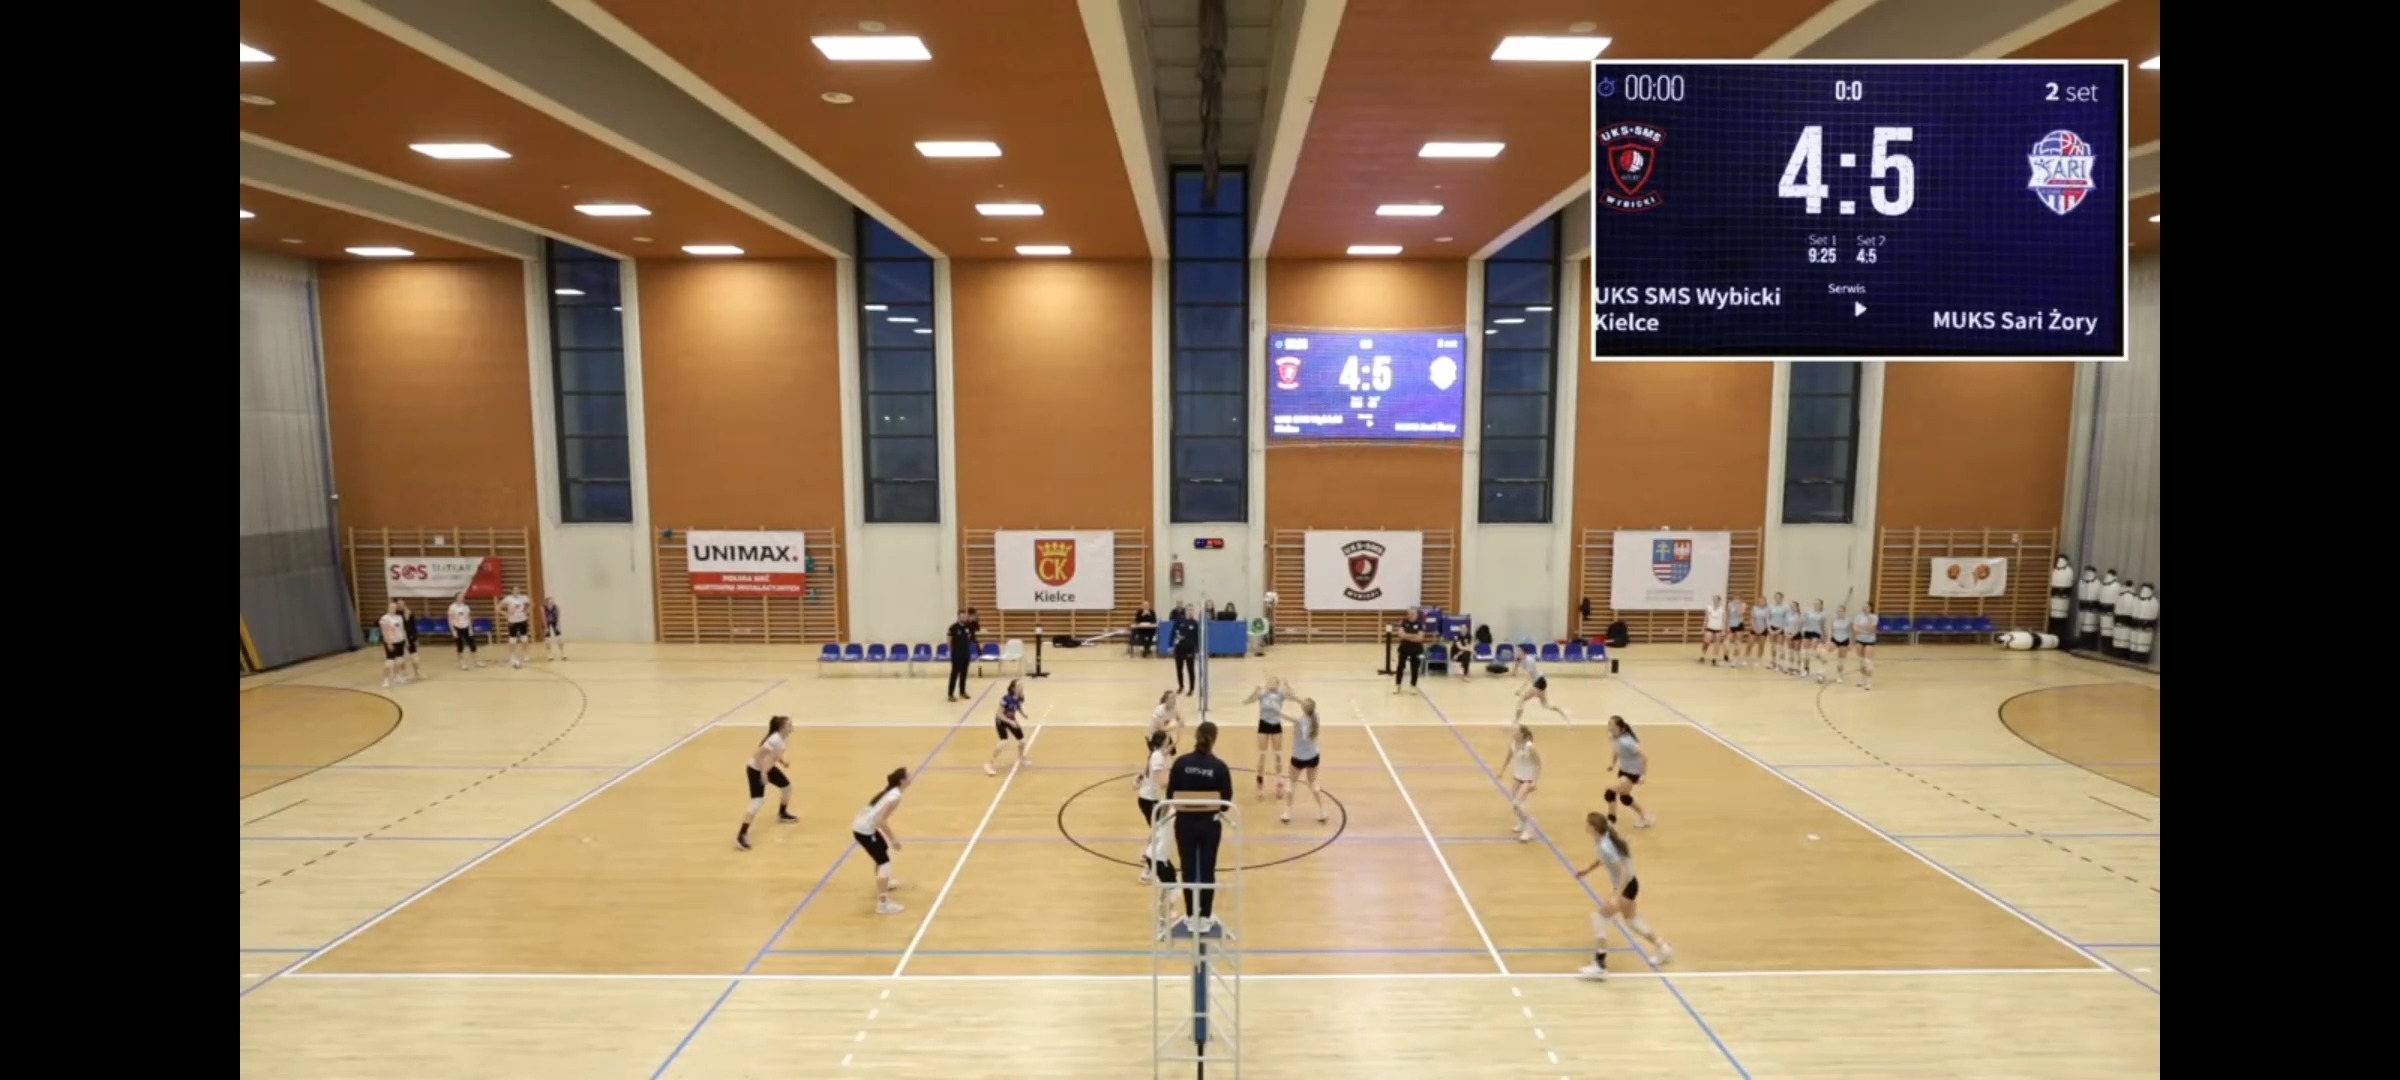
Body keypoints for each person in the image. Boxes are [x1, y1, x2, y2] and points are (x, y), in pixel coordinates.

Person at [1573, 812, 1673, 979]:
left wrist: (1616, 895)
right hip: (1630, 885)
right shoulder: (1602, 839)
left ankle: (1599, 965)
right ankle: (1663, 948)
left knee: (1599, 918)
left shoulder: (1605, 845)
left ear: (1593, 827)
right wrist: (1587, 870)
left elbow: (1623, 872)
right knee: (1632, 921)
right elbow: (1603, 859)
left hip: (1626, 886)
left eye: (1587, 823)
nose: (1585, 826)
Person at [1165, 720, 1235, 933]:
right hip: (1209, 826)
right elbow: (1225, 803)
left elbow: (1170, 795)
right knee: (1207, 868)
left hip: (1184, 824)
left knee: (1187, 868)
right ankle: (1205, 916)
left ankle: (1191, 915)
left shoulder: (1180, 763)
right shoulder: (1219, 767)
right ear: (1214, 739)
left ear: (1196, 737)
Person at [851, 767, 912, 915]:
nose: (911, 777)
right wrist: (893, 839)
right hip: (864, 831)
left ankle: (885, 883)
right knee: (885, 863)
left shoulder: (891, 792)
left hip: (864, 827)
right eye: (908, 776)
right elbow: (880, 820)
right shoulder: (895, 797)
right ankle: (883, 904)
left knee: (883, 852)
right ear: (902, 781)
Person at [735, 715, 801, 850]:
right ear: (782, 728)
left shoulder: (785, 738)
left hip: (767, 768)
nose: (792, 727)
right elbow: (758, 756)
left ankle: (782, 814)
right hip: (756, 770)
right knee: (757, 801)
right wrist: (763, 773)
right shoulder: (774, 740)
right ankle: (741, 834)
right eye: (789, 725)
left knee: (787, 788)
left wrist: (782, 761)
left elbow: (775, 754)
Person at [1241, 676, 1290, 800]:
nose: (1271, 684)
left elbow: (1292, 695)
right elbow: (1247, 701)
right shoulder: (1262, 694)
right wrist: (1255, 691)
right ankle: (1260, 783)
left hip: (1276, 725)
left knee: (1278, 755)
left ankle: (1279, 783)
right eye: (1270, 682)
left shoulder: (1280, 694)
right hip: (1263, 724)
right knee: (1262, 756)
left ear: (1277, 684)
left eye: (1274, 682)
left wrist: (1287, 685)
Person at [1282, 694, 1327, 825]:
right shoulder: (1315, 718)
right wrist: (1294, 697)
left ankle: (1287, 813)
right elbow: (1307, 705)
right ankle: (1322, 811)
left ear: (1304, 708)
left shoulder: (1298, 720)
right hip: (1313, 756)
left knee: (1291, 783)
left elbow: (1283, 715)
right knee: (1313, 783)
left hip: (1298, 757)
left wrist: (1273, 708)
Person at [1135, 729, 1172, 883]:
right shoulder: (1157, 758)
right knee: (1159, 833)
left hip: (1148, 798)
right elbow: (1161, 782)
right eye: (1167, 738)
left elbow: (1172, 747)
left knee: (1157, 829)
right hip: (1149, 800)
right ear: (1163, 741)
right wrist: (1174, 779)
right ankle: (1147, 872)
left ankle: (1145, 855)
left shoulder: (1156, 754)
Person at [1604, 715, 1654, 827]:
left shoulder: (1627, 742)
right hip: (1624, 770)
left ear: (1618, 727)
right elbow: (1616, 751)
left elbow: (1644, 758)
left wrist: (1643, 775)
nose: (1608, 725)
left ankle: (1611, 821)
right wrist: (1612, 764)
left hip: (1633, 773)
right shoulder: (1614, 737)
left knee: (1610, 793)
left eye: (1611, 723)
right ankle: (1645, 817)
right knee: (1624, 798)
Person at [983, 678, 1033, 776]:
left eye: (1021, 685)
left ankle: (1021, 757)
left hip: (1011, 719)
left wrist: (1023, 714)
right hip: (1001, 720)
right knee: (1003, 741)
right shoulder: (1006, 699)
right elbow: (999, 714)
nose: (1021, 687)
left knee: (1022, 741)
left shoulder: (1020, 697)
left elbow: (1018, 706)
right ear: (1013, 688)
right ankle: (989, 764)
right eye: (1019, 685)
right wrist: (1010, 722)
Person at [1502, 723, 1543, 842]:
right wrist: (1502, 771)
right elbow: (1508, 757)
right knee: (1514, 805)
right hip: (1517, 777)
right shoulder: (1513, 744)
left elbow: (1538, 764)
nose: (1513, 733)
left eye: (1516, 731)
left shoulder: (1529, 747)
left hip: (1527, 779)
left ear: (1522, 734)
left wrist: (1534, 781)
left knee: (1517, 803)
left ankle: (1529, 829)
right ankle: (1522, 822)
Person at [1513, 648, 1570, 723]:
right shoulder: (1521, 660)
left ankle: (1516, 721)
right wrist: (1515, 669)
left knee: (1522, 699)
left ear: (1524, 653)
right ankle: (1563, 713)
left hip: (1539, 682)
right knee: (1546, 705)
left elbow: (1528, 678)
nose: (1517, 653)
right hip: (1540, 682)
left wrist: (1520, 690)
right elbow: (1516, 667)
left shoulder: (1530, 661)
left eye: (1519, 652)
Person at [944, 609, 976, 702]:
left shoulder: (968, 627)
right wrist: (952, 650)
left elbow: (969, 637)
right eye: (962, 616)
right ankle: (950, 694)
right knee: (954, 674)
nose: (964, 618)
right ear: (959, 616)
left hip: (966, 654)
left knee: (964, 674)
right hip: (956, 655)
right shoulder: (953, 627)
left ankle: (962, 692)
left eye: (965, 616)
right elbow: (949, 640)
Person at [376, 601, 411, 688]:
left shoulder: (399, 617)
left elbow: (402, 629)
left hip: (400, 641)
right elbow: (384, 632)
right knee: (390, 662)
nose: (393, 609)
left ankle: (397, 676)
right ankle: (386, 680)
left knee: (399, 660)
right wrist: (389, 643)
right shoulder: (385, 618)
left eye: (395, 608)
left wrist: (406, 640)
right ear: (388, 608)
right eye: (391, 607)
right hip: (391, 642)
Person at [1392, 608, 1428, 693]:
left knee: (1414, 668)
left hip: (1416, 649)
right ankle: (1398, 685)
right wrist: (1414, 635)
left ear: (1417, 615)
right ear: (1407, 614)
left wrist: (1406, 635)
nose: (1412, 615)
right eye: (1410, 613)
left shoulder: (1420, 624)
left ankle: (1413, 686)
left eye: (1414, 613)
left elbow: (1420, 638)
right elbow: (1401, 635)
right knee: (1400, 667)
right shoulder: (1403, 622)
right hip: (1404, 648)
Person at [498, 588, 534, 669]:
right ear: (512, 591)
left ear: (519, 591)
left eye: (518, 590)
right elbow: (498, 607)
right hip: (512, 621)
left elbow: (532, 604)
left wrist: (526, 612)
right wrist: (505, 613)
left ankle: (525, 654)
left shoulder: (524, 597)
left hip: (522, 620)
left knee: (524, 638)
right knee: (512, 640)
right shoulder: (508, 598)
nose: (516, 591)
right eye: (514, 590)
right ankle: (512, 656)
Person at [446, 591, 482, 670]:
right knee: (460, 646)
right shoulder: (452, 607)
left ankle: (476, 661)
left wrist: (470, 629)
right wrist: (453, 631)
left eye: (462, 597)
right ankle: (462, 663)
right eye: (460, 597)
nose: (461, 598)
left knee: (473, 645)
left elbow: (468, 618)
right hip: (457, 628)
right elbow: (450, 620)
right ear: (456, 598)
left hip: (466, 627)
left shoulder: (466, 607)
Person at [1170, 608, 1200, 697]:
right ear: (1185, 612)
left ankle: (1191, 689)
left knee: (1190, 670)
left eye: (1191, 610)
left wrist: (1197, 650)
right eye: (1188, 610)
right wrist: (1170, 645)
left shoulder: (1195, 623)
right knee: (1179, 669)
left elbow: (1197, 638)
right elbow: (1173, 633)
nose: (1190, 612)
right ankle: (1181, 686)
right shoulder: (1179, 622)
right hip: (1179, 649)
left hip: (1190, 649)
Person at [1823, 604, 1853, 685]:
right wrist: (1828, 640)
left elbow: (1850, 632)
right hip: (1835, 639)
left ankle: (1839, 675)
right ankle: (1823, 672)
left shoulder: (1848, 620)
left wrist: (1850, 643)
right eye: (1838, 611)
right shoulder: (1833, 619)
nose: (1839, 612)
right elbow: (1830, 630)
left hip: (1844, 640)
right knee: (1825, 653)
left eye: (1841, 611)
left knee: (1841, 660)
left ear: (1844, 611)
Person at [395, 600, 425, 682]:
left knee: (414, 655)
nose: (400, 605)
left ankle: (417, 673)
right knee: (401, 657)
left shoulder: (409, 613)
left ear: (404, 605)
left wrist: (415, 638)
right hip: (400, 637)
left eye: (402, 604)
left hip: (410, 637)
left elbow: (413, 626)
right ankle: (404, 674)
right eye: (398, 604)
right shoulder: (395, 615)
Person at [1798, 599, 1827, 679]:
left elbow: (1822, 626)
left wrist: (1824, 636)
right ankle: (1806, 669)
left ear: (1821, 605)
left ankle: (1821, 662)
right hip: (1807, 632)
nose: (1816, 605)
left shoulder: (1823, 615)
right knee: (1805, 652)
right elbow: (1803, 622)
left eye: (1818, 604)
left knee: (1812, 651)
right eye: (1815, 604)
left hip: (1816, 633)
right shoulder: (1808, 613)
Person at [1852, 605, 1879, 690]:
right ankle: (1862, 680)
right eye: (1864, 607)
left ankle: (1868, 682)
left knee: (1868, 661)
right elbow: (1855, 629)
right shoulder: (1858, 617)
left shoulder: (1874, 617)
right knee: (1861, 661)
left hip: (1870, 640)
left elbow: (1872, 629)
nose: (1865, 608)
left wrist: (1868, 621)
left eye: (1867, 607)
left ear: (1870, 608)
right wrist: (1865, 630)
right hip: (1859, 640)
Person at [1149, 689, 1184, 755]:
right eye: (1172, 698)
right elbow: (1161, 728)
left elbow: (1180, 721)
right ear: (1166, 700)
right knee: (1157, 754)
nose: (1174, 699)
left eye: (1174, 697)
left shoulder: (1174, 708)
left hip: (1164, 735)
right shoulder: (1159, 711)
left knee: (1172, 753)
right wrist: (1174, 725)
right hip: (1154, 735)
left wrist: (1180, 723)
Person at [1723, 596, 1750, 668]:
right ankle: (1726, 658)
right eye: (1735, 599)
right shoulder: (1730, 604)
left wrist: (1738, 606)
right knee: (1726, 642)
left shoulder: (1743, 605)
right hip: (1731, 625)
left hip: (1739, 625)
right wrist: (1727, 625)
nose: (1736, 600)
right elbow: (1728, 615)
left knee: (1737, 643)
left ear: (1740, 599)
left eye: (1738, 599)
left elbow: (1741, 614)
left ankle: (1734, 660)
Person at [1700, 595, 1726, 665]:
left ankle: (1714, 658)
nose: (1715, 600)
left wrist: (1723, 630)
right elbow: (1706, 618)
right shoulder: (1709, 608)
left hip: (1718, 628)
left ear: (1719, 601)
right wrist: (1704, 627)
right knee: (1706, 642)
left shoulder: (1722, 609)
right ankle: (1702, 655)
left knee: (1717, 644)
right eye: (1714, 599)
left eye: (1716, 599)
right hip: (1710, 627)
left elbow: (1723, 620)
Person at [1745, 595, 1770, 667]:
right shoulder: (1754, 608)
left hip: (1763, 629)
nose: (1761, 602)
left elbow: (1767, 620)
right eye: (1760, 601)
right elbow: (1752, 619)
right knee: (1749, 644)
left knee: (1761, 645)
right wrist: (1755, 628)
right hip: (1754, 628)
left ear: (1765, 602)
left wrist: (1763, 629)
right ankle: (1746, 659)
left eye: (1763, 601)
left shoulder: (1767, 609)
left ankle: (1758, 660)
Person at [543, 595, 567, 661]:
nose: (552, 601)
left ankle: (563, 653)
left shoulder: (556, 607)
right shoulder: (544, 608)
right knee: (547, 639)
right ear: (547, 602)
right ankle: (549, 654)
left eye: (552, 600)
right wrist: (546, 627)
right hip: (546, 623)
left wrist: (557, 625)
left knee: (559, 638)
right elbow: (543, 617)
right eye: (550, 600)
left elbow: (558, 616)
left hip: (554, 622)